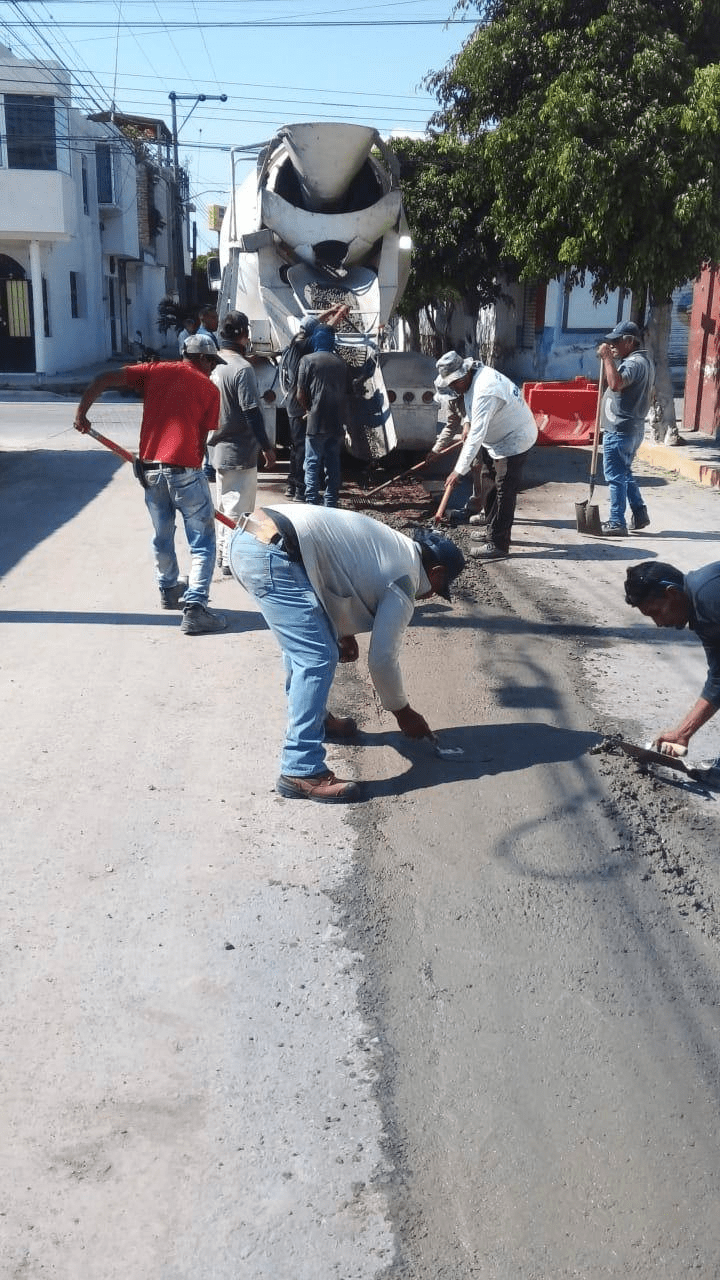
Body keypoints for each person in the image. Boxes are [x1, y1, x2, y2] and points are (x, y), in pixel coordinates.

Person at [227, 506, 466, 802]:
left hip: (256, 535)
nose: (430, 596)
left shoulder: (396, 548)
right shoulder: (406, 582)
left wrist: (343, 631)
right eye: (439, 589)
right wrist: (403, 712)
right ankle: (300, 769)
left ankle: (317, 721)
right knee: (315, 657)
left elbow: (340, 571)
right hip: (272, 550)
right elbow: (381, 659)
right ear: (437, 573)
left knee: (308, 649)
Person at [73, 334, 228, 636]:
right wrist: (192, 470)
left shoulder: (155, 371)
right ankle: (196, 608)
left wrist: (82, 414)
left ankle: (169, 589)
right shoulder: (209, 389)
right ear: (205, 359)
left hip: (150, 469)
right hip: (185, 470)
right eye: (212, 364)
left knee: (162, 533)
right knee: (203, 541)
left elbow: (103, 379)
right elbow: (199, 441)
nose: (212, 370)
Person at [433, 350, 538, 559]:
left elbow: (476, 437)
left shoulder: (486, 389)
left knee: (503, 491)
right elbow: (473, 420)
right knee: (489, 483)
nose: (453, 388)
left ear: (464, 375)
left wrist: (457, 471)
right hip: (496, 439)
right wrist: (467, 422)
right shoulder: (474, 377)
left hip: (515, 439)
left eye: (454, 383)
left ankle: (498, 543)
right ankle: (491, 529)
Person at [625, 559, 720, 753]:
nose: (658, 623)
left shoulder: (709, 596)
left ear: (673, 593)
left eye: (656, 612)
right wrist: (683, 733)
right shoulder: (700, 613)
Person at [208, 311, 276, 575]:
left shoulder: (215, 365)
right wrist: (267, 448)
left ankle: (223, 557)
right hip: (240, 451)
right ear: (245, 335)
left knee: (225, 507)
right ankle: (230, 562)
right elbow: (251, 411)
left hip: (216, 448)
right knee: (238, 510)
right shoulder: (242, 369)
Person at [283, 304, 350, 502]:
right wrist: (336, 315)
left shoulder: (302, 349)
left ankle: (306, 496)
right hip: (329, 420)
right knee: (328, 460)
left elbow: (300, 393)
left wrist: (309, 409)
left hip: (312, 416)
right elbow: (348, 392)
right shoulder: (339, 361)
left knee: (307, 456)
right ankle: (326, 499)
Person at [597, 320, 655, 536]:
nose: (612, 346)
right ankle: (640, 513)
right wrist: (609, 360)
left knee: (615, 476)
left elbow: (616, 384)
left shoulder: (634, 364)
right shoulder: (643, 361)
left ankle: (616, 521)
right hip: (631, 428)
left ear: (629, 341)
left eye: (616, 342)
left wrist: (606, 358)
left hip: (621, 429)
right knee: (625, 472)